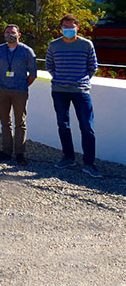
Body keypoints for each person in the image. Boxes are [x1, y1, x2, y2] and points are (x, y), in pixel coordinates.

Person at [46, 14, 101, 178]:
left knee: (87, 127)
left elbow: (93, 66)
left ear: (77, 27)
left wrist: (80, 81)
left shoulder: (86, 44)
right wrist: (61, 79)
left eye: (71, 26)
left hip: (81, 91)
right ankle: (68, 157)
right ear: (61, 28)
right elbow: (49, 65)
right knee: (63, 125)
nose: (68, 29)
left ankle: (89, 163)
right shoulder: (54, 45)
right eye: (65, 27)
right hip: (59, 91)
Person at [0, 24, 37, 166]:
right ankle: (6, 151)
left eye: (13, 32)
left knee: (20, 123)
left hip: (20, 91)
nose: (10, 34)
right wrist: (6, 82)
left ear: (19, 34)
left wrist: (21, 85)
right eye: (7, 32)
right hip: (2, 90)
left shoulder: (27, 51)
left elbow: (33, 74)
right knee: (5, 122)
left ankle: (20, 153)